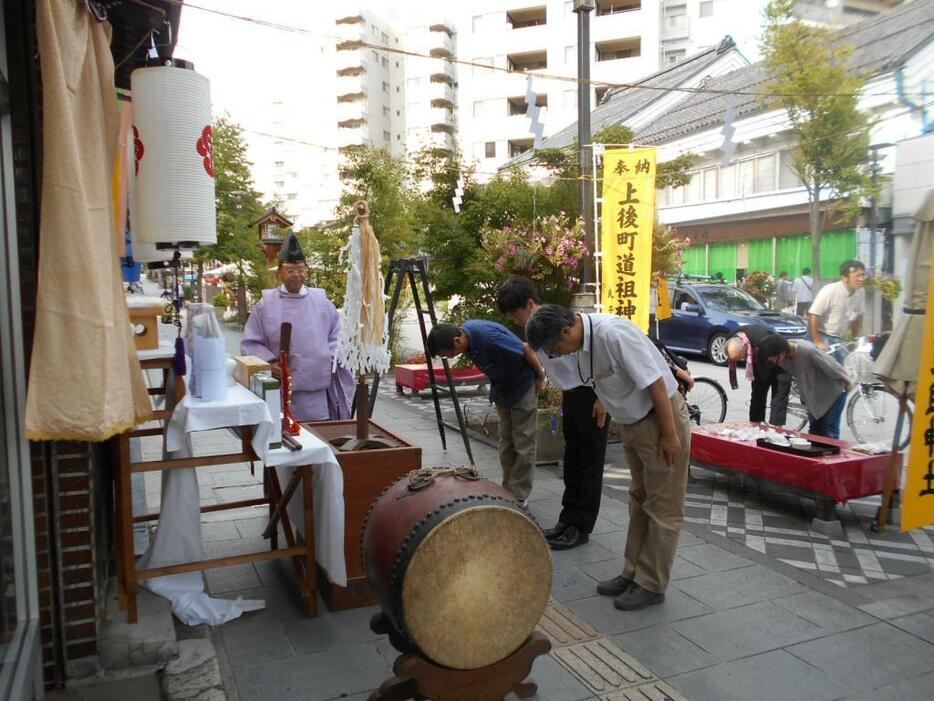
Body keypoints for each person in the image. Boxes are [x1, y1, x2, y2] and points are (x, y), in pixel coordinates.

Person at [526, 305, 692, 611]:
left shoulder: (613, 334)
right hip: (633, 424)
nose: (558, 355)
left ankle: (652, 584)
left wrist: (670, 435)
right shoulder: (583, 342)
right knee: (639, 499)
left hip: (659, 420)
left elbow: (655, 381)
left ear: (566, 331)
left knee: (664, 508)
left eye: (555, 348)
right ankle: (632, 573)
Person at [496, 277, 608, 550]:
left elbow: (605, 358)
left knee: (589, 464)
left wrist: (604, 397)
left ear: (531, 304)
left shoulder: (559, 324)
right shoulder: (536, 332)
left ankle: (581, 527)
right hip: (572, 395)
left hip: (594, 396)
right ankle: (567, 519)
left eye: (515, 313)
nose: (515, 320)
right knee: (572, 460)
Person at [427, 320, 543, 503]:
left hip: (522, 385)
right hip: (502, 388)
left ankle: (519, 496)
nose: (451, 357)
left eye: (448, 354)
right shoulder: (467, 339)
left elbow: (526, 349)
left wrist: (540, 375)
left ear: (457, 340)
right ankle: (508, 490)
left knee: (524, 442)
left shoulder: (489, 338)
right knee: (506, 441)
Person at [241, 233, 353, 422]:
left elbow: (337, 333)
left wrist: (330, 356)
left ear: (306, 271)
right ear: (279, 273)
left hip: (317, 390)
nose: (296, 275)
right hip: (280, 387)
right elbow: (251, 343)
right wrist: (269, 364)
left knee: (320, 436)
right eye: (290, 270)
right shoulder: (265, 305)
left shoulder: (322, 302)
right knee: (283, 434)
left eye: (300, 270)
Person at [757, 334, 852, 439]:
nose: (774, 362)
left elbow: (833, 367)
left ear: (781, 350)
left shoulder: (808, 350)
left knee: (829, 431)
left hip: (833, 393)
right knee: (814, 431)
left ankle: (831, 454)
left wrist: (848, 381)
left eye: (774, 358)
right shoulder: (782, 358)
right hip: (813, 397)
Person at [725, 326, 791, 425]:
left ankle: (776, 429)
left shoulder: (762, 341)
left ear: (745, 348)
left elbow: (769, 365)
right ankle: (755, 425)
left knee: (778, 396)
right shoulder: (731, 338)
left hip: (779, 361)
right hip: (759, 360)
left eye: (742, 357)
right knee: (757, 393)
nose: (742, 360)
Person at [808, 259, 866, 350]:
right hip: (823, 336)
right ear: (844, 278)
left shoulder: (861, 292)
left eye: (863, 275)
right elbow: (814, 315)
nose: (861, 279)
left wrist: (855, 339)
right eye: (857, 276)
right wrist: (817, 341)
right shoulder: (830, 290)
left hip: (840, 338)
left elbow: (858, 317)